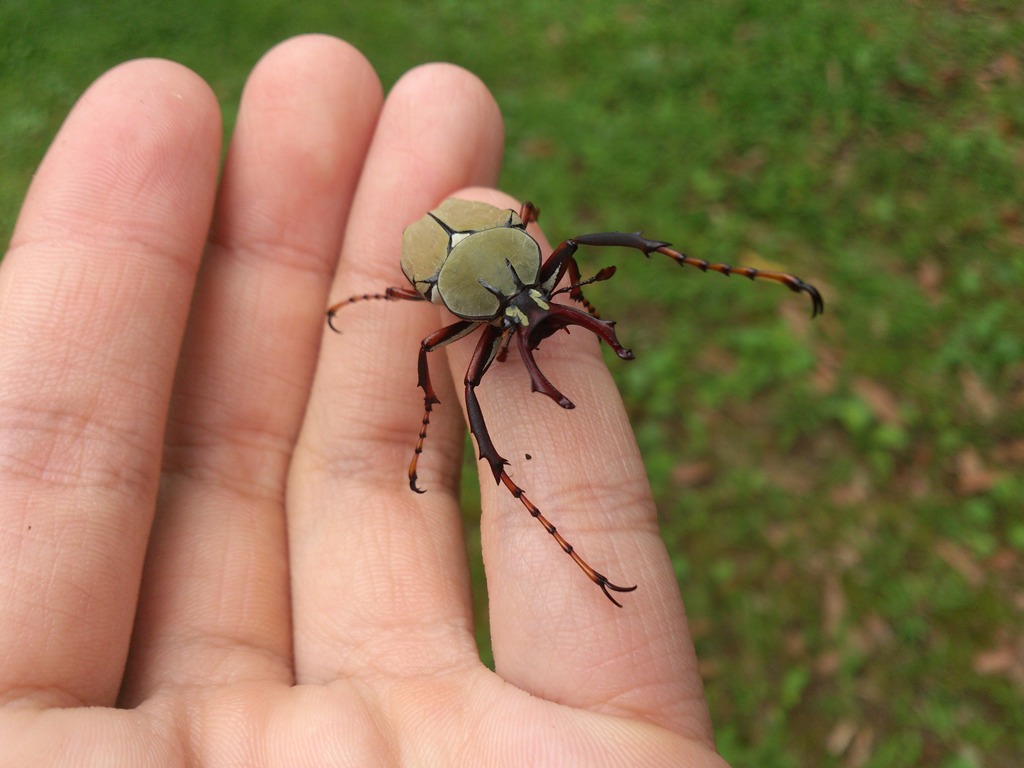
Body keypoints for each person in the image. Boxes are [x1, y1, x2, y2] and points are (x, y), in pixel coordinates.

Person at [0, 35, 727, 766]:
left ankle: (670, 260)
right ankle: (520, 485)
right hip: (441, 262)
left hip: (476, 253)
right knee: (462, 375)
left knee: (501, 339)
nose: (540, 318)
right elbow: (444, 342)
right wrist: (438, 396)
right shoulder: (463, 312)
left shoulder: (529, 263)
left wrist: (567, 297)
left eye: (546, 301)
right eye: (525, 312)